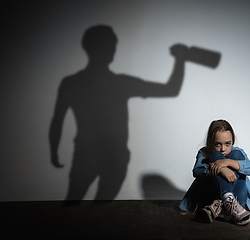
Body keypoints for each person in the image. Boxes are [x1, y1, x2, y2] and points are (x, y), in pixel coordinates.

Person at [49, 25, 188, 202]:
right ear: (95, 47)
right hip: (104, 155)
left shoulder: (74, 83)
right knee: (83, 203)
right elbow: (57, 120)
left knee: (82, 203)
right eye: (109, 45)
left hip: (106, 155)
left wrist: (54, 151)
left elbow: (170, 90)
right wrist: (180, 59)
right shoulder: (117, 83)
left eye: (113, 44)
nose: (113, 49)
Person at [179, 119, 250, 225]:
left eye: (227, 144)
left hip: (237, 200)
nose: (223, 149)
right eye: (218, 144)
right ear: (210, 142)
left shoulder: (238, 152)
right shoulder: (204, 152)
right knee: (215, 155)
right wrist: (221, 169)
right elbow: (197, 171)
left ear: (232, 141)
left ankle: (227, 202)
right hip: (211, 199)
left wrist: (228, 162)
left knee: (236, 155)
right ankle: (227, 203)